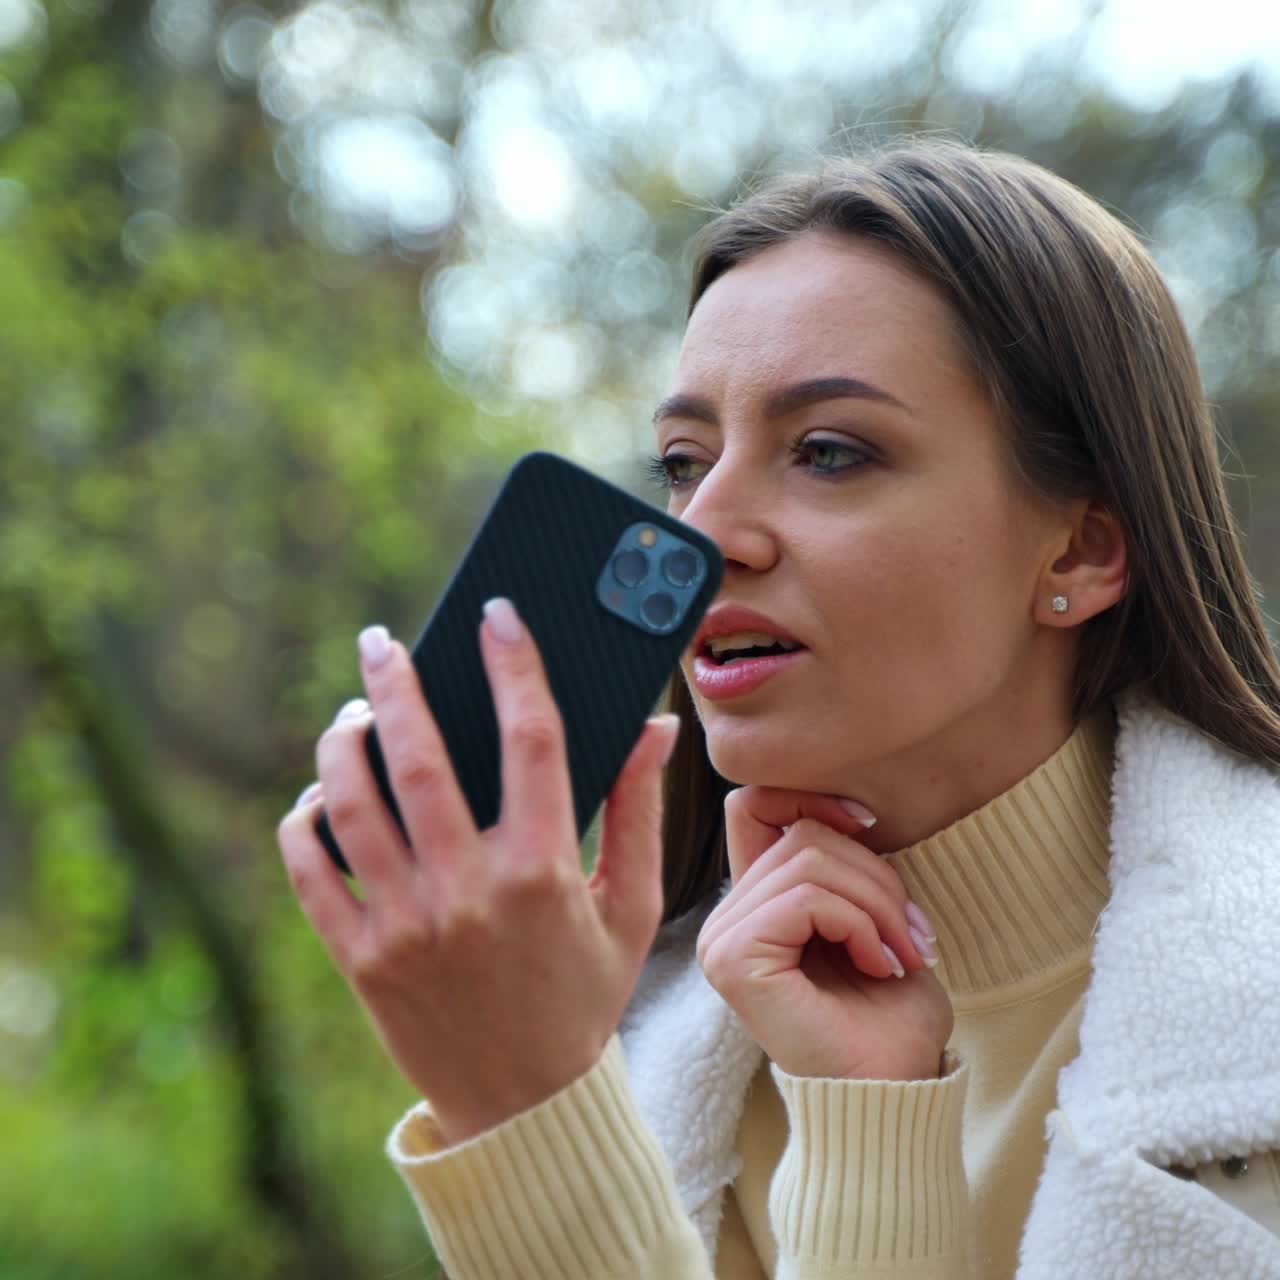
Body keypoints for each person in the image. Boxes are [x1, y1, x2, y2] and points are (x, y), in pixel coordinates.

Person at [275, 141, 1280, 1278]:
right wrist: (553, 1104)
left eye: (828, 452)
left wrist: (531, 1108)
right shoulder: (676, 1035)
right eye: (681, 460)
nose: (704, 534)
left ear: (1084, 546)